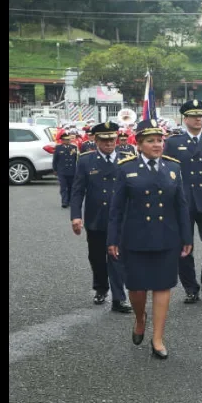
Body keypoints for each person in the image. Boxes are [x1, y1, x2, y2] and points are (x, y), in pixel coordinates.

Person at [108, 119, 192, 359]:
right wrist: (112, 239)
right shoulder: (125, 168)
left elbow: (181, 206)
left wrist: (187, 236)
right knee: (136, 288)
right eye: (151, 141)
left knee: (163, 285)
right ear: (139, 144)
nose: (157, 145)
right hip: (135, 237)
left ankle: (157, 338)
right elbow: (116, 209)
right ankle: (139, 317)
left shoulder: (173, 168)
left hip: (167, 236)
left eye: (159, 140)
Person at [164, 99, 202, 304]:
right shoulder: (173, 143)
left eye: (201, 115)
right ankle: (190, 287)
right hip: (183, 202)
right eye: (194, 116)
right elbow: (166, 172)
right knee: (184, 247)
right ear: (185, 118)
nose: (198, 119)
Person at [70, 122, 131, 312]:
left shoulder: (127, 159)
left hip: (120, 219)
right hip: (96, 217)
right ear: (95, 140)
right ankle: (101, 288)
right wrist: (75, 216)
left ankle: (119, 298)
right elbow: (78, 190)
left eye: (112, 139)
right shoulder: (86, 160)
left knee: (117, 256)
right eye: (104, 139)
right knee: (96, 257)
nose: (109, 143)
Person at [53, 129, 78, 208]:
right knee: (63, 187)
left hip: (72, 170)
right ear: (62, 140)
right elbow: (55, 160)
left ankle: (70, 201)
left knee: (71, 187)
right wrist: (55, 170)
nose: (68, 141)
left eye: (69, 139)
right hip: (62, 171)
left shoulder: (74, 147)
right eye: (66, 140)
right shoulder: (58, 148)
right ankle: (64, 201)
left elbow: (76, 159)